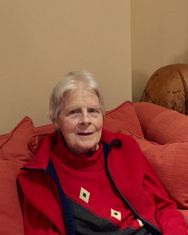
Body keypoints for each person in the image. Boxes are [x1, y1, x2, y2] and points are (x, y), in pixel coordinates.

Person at [18, 70, 187, 235]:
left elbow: (164, 207)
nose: (86, 120)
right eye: (74, 112)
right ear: (56, 119)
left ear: (102, 116)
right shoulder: (40, 177)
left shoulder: (125, 148)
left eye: (93, 111)